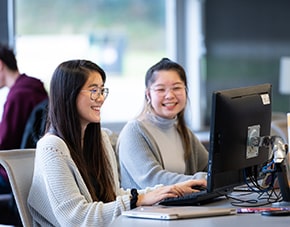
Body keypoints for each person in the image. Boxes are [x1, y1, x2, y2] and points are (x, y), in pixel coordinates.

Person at [27, 59, 206, 226]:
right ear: (69, 95)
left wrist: (170, 190)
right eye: (93, 90)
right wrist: (138, 200)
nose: (101, 98)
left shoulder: (100, 140)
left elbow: (114, 195)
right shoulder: (52, 147)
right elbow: (75, 218)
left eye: (102, 90)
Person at [116, 57, 209, 190]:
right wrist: (201, 179)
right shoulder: (134, 131)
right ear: (148, 94)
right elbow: (153, 180)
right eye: (160, 89)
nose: (170, 95)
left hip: (179, 207)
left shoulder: (183, 131)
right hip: (148, 210)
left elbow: (210, 168)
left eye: (176, 88)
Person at [0, 43, 48, 193]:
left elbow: (4, 143)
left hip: (13, 173)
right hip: (30, 168)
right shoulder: (34, 88)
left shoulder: (18, 96)